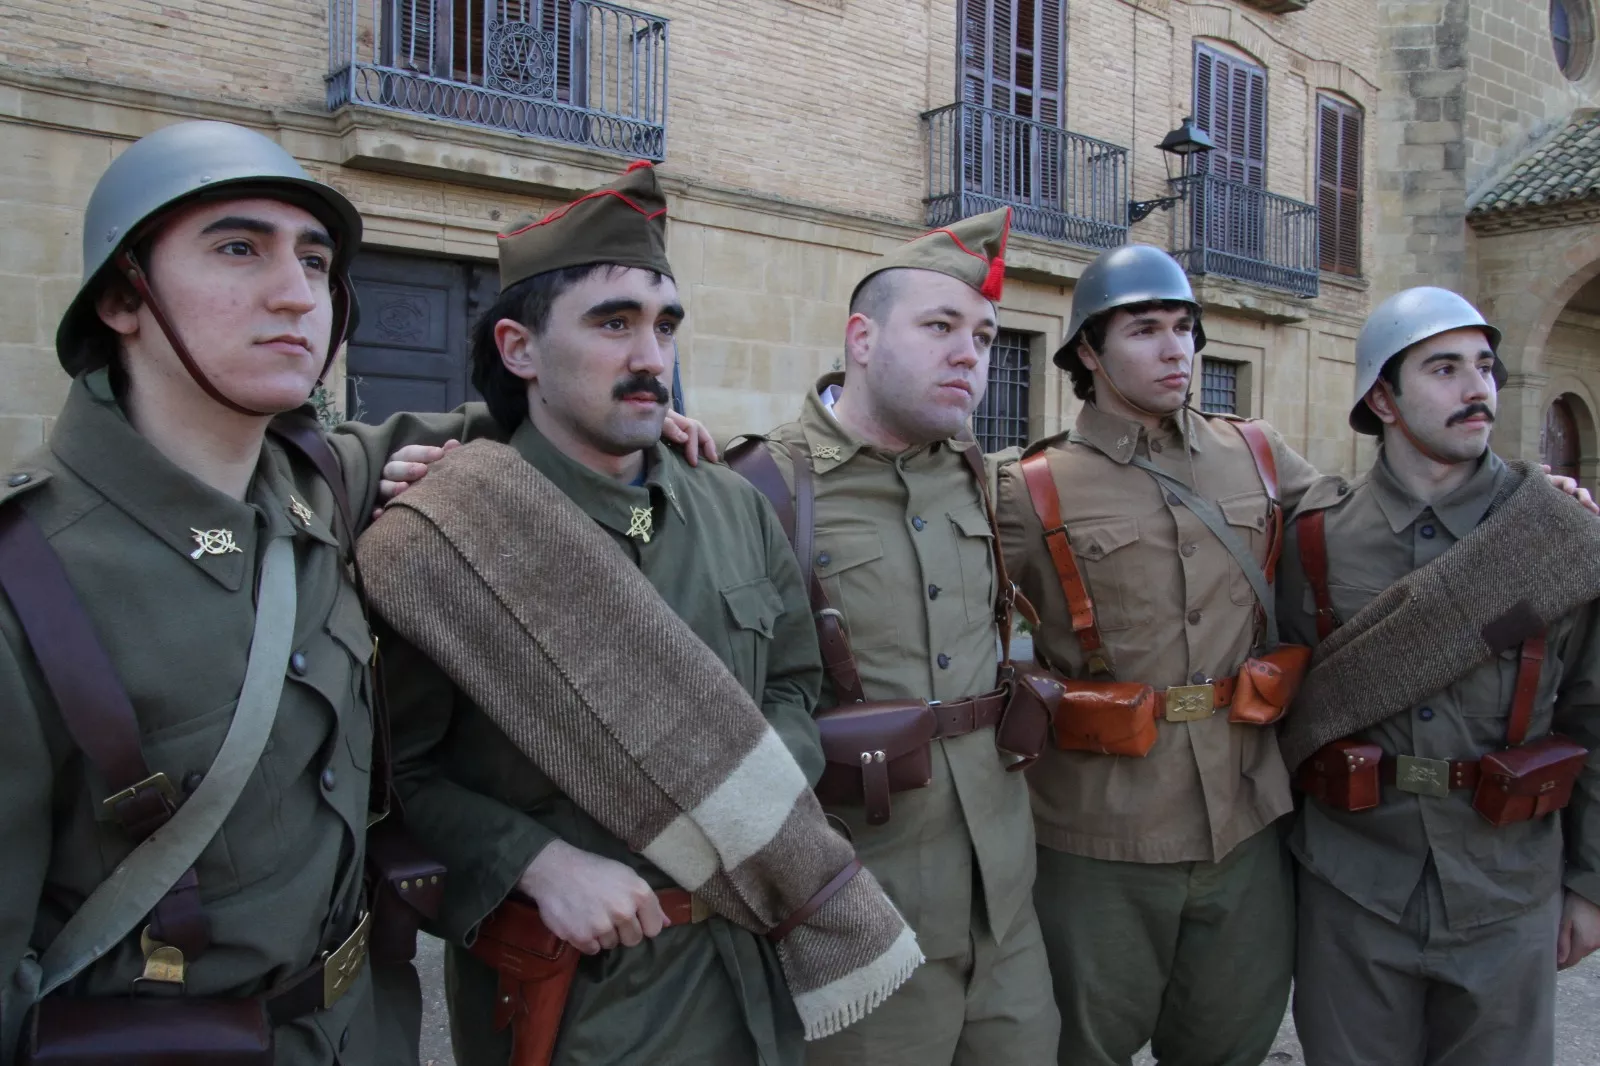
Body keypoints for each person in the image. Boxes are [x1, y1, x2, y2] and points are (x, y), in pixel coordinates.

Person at [369, 161, 831, 1066]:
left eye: (664, 325)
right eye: (613, 323)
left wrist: (748, 788)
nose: (652, 357)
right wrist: (536, 862)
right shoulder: (446, 530)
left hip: (749, 963)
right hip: (581, 995)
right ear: (519, 349)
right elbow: (399, 772)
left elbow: (795, 682)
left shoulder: (731, 506)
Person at [0, 120, 389, 1064]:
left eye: (315, 259)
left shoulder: (315, 493)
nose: (296, 295)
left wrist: (643, 423)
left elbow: (480, 428)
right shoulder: (27, 577)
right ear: (126, 299)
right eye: (237, 248)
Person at [734, 207, 1060, 1065]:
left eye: (986, 337)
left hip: (1005, 906)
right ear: (863, 338)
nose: (970, 354)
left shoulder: (977, 475)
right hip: (863, 917)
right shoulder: (760, 487)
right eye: (941, 327)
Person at [995, 244, 1318, 1066]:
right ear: (1089, 355)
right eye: (1146, 330)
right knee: (1083, 1049)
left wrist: (1520, 495)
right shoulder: (1030, 486)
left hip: (1245, 819)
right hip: (1099, 834)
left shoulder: (1258, 455)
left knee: (1229, 1045)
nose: (1178, 348)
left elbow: (1366, 535)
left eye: (1185, 327)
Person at [1277, 286, 1600, 1066]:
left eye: (1485, 367)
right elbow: (1285, 704)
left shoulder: (1557, 533)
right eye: (1444, 368)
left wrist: (1590, 884)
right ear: (1382, 398)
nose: (1476, 389)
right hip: (1351, 883)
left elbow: (1594, 715)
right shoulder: (1313, 538)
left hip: (1508, 882)